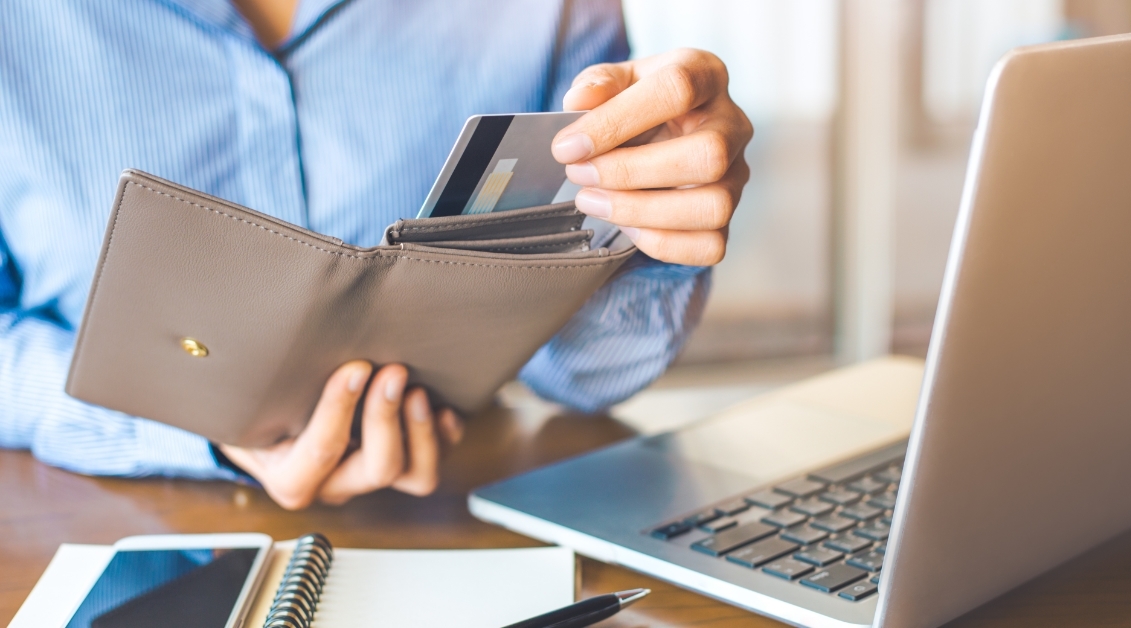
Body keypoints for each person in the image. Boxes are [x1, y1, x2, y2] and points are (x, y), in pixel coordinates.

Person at [0, 0, 752, 509]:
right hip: (110, 519)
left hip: (462, 513)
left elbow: (585, 372)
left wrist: (650, 224)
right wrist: (196, 433)